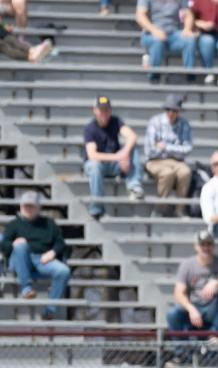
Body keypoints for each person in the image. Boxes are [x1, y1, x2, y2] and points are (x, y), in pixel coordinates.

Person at [166, 229, 218, 365]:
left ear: (213, 245)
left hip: (213, 307)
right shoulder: (187, 264)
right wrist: (191, 309)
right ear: (196, 246)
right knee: (172, 313)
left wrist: (217, 282)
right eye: (202, 244)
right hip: (194, 307)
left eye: (209, 244)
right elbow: (178, 292)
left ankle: (214, 333)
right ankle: (181, 354)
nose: (206, 248)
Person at [0, 191, 70, 320]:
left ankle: (50, 310)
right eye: (25, 205)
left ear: (38, 208)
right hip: (20, 259)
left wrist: (52, 252)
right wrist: (13, 244)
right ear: (21, 206)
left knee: (63, 271)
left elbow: (60, 243)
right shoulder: (14, 224)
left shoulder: (49, 224)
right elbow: (4, 245)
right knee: (21, 246)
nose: (27, 208)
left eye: (31, 206)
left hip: (43, 260)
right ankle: (26, 289)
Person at [82, 95, 144, 218]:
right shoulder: (90, 128)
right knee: (95, 166)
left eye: (107, 110)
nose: (104, 113)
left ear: (110, 111)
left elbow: (132, 136)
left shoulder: (115, 121)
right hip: (97, 164)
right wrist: (117, 157)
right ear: (94, 110)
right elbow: (92, 155)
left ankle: (134, 186)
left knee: (133, 148)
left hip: (114, 163)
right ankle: (96, 207)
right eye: (101, 110)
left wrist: (125, 153)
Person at [144, 93, 193, 217]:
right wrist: (176, 149)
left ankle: (179, 210)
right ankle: (158, 210)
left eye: (174, 110)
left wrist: (165, 147)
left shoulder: (184, 124)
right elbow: (150, 151)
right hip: (155, 161)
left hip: (177, 161)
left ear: (179, 111)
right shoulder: (155, 122)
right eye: (168, 109)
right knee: (167, 174)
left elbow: (187, 149)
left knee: (185, 172)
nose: (171, 113)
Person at [136, 0, 197, 84]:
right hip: (150, 32)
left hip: (173, 33)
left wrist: (187, 28)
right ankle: (154, 76)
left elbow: (188, 14)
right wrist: (154, 30)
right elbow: (140, 16)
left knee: (189, 40)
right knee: (157, 41)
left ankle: (190, 75)